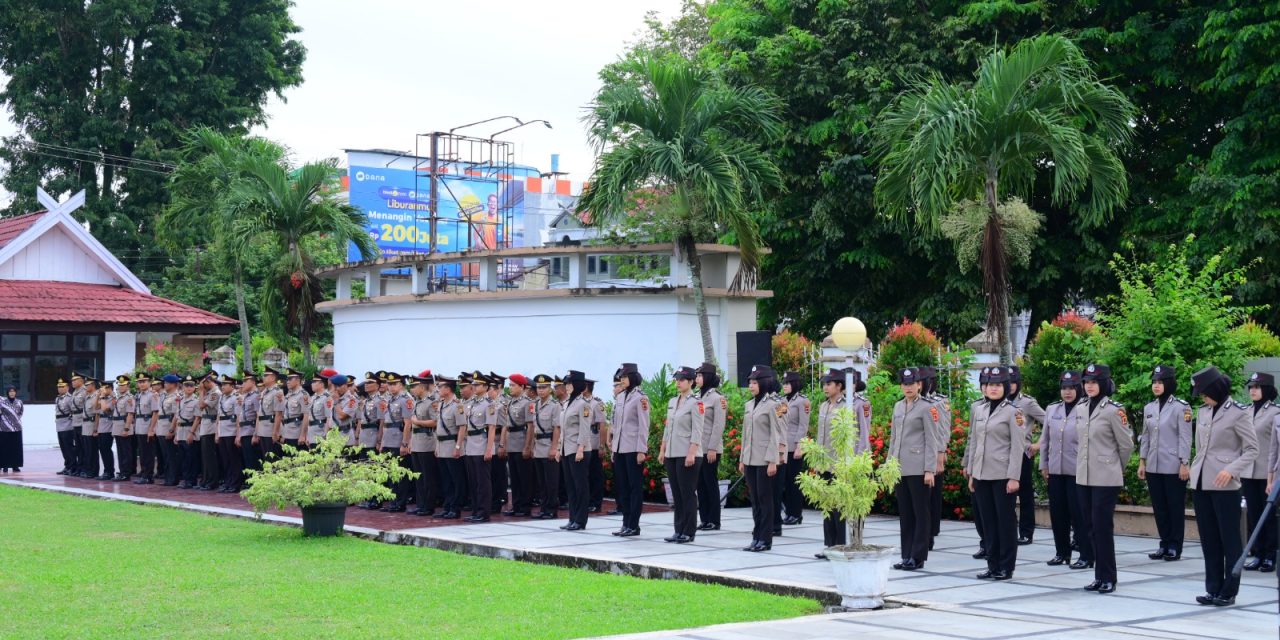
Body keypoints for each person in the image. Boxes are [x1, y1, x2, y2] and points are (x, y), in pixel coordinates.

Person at [1190, 366, 1258, 607]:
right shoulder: (1203, 411)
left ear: (1216, 389)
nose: (1202, 397)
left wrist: (1231, 469)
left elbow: (1252, 449)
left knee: (1229, 539)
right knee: (1209, 539)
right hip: (1201, 481)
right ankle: (1213, 588)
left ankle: (1229, 590)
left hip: (1225, 484)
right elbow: (1201, 447)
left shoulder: (1238, 413)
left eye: (1204, 392)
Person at [1076, 363, 1134, 594]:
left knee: (1102, 527)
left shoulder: (1113, 410)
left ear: (1104, 383)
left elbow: (1126, 445)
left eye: (1094, 382)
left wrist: (1115, 467)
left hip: (1106, 477)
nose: (1090, 386)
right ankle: (1098, 576)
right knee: (1089, 528)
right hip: (1084, 475)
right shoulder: (1081, 407)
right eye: (1087, 382)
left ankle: (1109, 576)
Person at [965, 366, 1025, 580]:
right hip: (981, 475)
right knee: (988, 522)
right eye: (990, 384)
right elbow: (974, 443)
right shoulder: (979, 410)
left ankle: (1006, 566)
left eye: (998, 385)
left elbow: (1018, 447)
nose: (993, 388)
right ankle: (992, 564)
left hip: (1002, 475)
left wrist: (1014, 477)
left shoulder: (1013, 412)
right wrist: (971, 473)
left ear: (1006, 387)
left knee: (1005, 522)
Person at [806, 368, 868, 558]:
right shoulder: (824, 406)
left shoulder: (850, 405)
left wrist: (858, 460)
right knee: (827, 505)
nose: (825, 387)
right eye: (824, 383)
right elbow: (820, 436)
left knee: (840, 507)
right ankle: (829, 546)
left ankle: (840, 546)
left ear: (839, 386)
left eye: (829, 384)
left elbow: (862, 434)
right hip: (825, 462)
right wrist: (816, 460)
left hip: (842, 463)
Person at [888, 367, 941, 571]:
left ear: (920, 385)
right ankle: (906, 554)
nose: (908, 387)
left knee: (921, 513)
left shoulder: (928, 407)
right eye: (905, 384)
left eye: (912, 384)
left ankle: (917, 556)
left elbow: (932, 439)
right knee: (906, 515)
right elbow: (894, 438)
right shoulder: (898, 406)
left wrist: (930, 469)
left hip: (919, 468)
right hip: (900, 467)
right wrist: (890, 465)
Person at [1138, 364, 1193, 562]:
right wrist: (1142, 462)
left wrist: (1184, 463)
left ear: (1169, 383)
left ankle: (1175, 546)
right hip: (1153, 464)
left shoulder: (1181, 407)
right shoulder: (1149, 408)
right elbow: (1145, 437)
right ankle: (1164, 543)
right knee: (1159, 507)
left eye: (1160, 382)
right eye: (1154, 382)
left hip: (1173, 465)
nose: (1156, 385)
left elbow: (1185, 437)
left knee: (1174, 507)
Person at [1040, 371, 1087, 567]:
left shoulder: (1085, 409)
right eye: (1064, 388)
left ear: (1079, 388)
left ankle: (1085, 554)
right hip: (1056, 470)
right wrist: (1044, 463)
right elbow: (1045, 439)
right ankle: (1062, 552)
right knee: (1058, 514)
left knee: (1079, 515)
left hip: (1077, 470)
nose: (1067, 392)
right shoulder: (1052, 409)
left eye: (1071, 388)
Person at [740, 365, 785, 552]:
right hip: (750, 458)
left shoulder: (776, 404)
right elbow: (745, 433)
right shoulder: (749, 405)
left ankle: (765, 539)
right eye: (750, 382)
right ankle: (756, 536)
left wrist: (774, 460)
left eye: (755, 382)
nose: (751, 385)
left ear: (765, 382)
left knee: (765, 500)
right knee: (755, 500)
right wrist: (742, 458)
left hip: (766, 459)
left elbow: (778, 433)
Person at [660, 366, 704, 543]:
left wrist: (692, 453)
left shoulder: (696, 402)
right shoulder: (673, 401)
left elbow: (697, 430)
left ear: (691, 382)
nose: (678, 382)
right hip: (672, 452)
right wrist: (663, 450)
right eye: (677, 379)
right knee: (676, 494)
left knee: (687, 493)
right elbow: (667, 428)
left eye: (682, 380)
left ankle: (689, 531)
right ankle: (678, 530)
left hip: (688, 453)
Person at [1242, 372, 1279, 572]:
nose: (1253, 390)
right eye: (1251, 387)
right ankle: (1258, 553)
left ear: (1266, 389)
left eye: (1257, 387)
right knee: (1254, 515)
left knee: (1269, 515)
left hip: (1268, 472)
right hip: (1248, 471)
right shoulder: (1245, 411)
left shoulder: (1275, 412)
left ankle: (1270, 556)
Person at [1008, 366, 1046, 545]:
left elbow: (1049, 421)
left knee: (1024, 494)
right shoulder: (997, 402)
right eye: (1007, 382)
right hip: (1002, 455)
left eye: (1014, 382)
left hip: (1022, 453)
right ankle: (1008, 530)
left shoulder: (1027, 403)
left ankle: (1026, 532)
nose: (1011, 385)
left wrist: (1039, 444)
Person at [610, 363, 649, 536]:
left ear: (632, 377)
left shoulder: (641, 398)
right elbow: (616, 424)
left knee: (634, 487)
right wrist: (613, 449)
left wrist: (642, 449)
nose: (622, 380)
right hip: (620, 448)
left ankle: (634, 525)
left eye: (624, 377)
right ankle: (625, 523)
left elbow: (643, 425)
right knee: (623, 488)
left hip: (633, 448)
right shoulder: (620, 397)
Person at [558, 370, 593, 531]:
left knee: (580, 486)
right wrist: (559, 449)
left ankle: (580, 520)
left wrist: (580, 448)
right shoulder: (566, 404)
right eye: (566, 384)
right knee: (570, 486)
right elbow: (563, 430)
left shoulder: (583, 404)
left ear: (578, 385)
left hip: (578, 450)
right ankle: (572, 518)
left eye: (570, 383)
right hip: (567, 449)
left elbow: (585, 430)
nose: (567, 386)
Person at [460, 373, 497, 522]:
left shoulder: (489, 404)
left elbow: (492, 427)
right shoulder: (471, 403)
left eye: (477, 385)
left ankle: (483, 512)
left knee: (483, 481)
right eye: (473, 385)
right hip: (470, 445)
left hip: (481, 444)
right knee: (473, 480)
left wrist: (489, 449)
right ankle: (476, 510)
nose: (474, 387)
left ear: (485, 387)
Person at [695, 362, 727, 532]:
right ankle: (704, 519)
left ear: (707, 377)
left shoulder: (717, 398)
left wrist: (713, 448)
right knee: (700, 484)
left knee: (710, 483)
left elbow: (718, 425)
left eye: (700, 375)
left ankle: (714, 520)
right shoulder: (697, 397)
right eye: (697, 375)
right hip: (698, 449)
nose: (697, 379)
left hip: (710, 448)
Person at [922, 366, 951, 547]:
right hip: (919, 453)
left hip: (935, 451)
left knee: (934, 494)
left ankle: (933, 529)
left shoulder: (940, 401)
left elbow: (943, 428)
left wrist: (941, 453)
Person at [376, 373, 411, 512]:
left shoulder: (405, 400)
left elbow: (408, 423)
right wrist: (382, 441)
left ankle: (400, 503)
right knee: (390, 473)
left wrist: (404, 443)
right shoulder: (388, 400)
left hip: (398, 438)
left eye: (394, 384)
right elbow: (385, 423)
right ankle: (393, 501)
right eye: (389, 384)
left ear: (401, 385)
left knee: (399, 474)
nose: (390, 387)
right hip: (388, 438)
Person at [529, 374, 562, 521]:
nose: (540, 390)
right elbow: (532, 427)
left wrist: (554, 448)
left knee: (551, 482)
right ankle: (543, 508)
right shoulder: (535, 404)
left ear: (550, 389)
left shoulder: (555, 405)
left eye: (544, 387)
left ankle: (551, 509)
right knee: (541, 482)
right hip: (538, 447)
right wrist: (530, 446)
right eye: (538, 388)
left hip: (549, 444)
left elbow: (557, 428)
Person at [779, 371, 810, 526]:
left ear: (795, 384)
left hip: (794, 447)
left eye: (787, 383)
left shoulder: (802, 401)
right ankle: (789, 512)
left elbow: (803, 426)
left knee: (794, 483)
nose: (784, 386)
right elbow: (779, 421)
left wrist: (800, 446)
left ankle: (795, 514)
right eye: (784, 383)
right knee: (783, 481)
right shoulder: (783, 401)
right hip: (783, 447)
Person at [434, 375, 466, 519]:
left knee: (456, 479)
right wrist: (436, 446)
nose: (438, 389)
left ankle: (455, 507)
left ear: (448, 389)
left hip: (452, 445)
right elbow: (439, 427)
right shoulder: (441, 404)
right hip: (441, 446)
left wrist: (458, 447)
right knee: (445, 480)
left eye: (440, 387)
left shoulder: (457, 405)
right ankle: (447, 506)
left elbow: (462, 427)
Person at [408, 374, 440, 517]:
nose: (412, 389)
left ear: (422, 387)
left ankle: (428, 505)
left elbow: (435, 422)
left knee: (428, 477)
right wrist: (410, 441)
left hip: (427, 442)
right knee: (418, 476)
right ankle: (420, 504)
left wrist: (418, 422)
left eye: (414, 386)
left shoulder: (431, 402)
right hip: (416, 441)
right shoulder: (417, 401)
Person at [502, 373, 534, 517]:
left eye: (513, 385)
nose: (510, 388)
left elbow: (530, 426)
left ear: (522, 387)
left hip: (521, 441)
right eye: (510, 385)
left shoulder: (527, 403)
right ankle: (516, 505)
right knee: (514, 477)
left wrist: (527, 446)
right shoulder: (510, 402)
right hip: (512, 442)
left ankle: (525, 506)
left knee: (524, 477)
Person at [584, 379, 608, 513]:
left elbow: (602, 425)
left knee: (595, 475)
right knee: (585, 475)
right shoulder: (580, 402)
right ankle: (587, 501)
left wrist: (601, 446)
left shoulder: (597, 403)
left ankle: (596, 502)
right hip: (583, 442)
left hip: (593, 441)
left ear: (586, 387)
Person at [214, 375, 240, 492]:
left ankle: (235, 483)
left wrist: (238, 434)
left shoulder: (236, 397)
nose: (222, 387)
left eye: (225, 385)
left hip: (231, 431)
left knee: (233, 458)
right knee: (225, 459)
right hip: (223, 431)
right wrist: (217, 433)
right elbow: (219, 417)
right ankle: (228, 482)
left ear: (232, 386)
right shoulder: (222, 398)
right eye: (222, 385)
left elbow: (239, 417)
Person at [153, 374, 180, 486]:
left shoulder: (176, 396)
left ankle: (173, 478)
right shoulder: (163, 395)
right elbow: (159, 412)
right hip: (161, 426)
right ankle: (167, 477)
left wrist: (171, 430)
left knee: (171, 455)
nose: (165, 384)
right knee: (165, 455)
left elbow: (175, 415)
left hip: (168, 426)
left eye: (167, 383)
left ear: (174, 384)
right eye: (165, 382)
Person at [176, 375, 202, 488]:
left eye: (191, 385)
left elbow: (197, 418)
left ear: (195, 388)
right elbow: (178, 418)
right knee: (183, 458)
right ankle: (186, 479)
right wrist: (176, 434)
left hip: (190, 430)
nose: (189, 388)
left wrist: (191, 433)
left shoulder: (196, 401)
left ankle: (192, 480)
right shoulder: (180, 401)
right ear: (182, 387)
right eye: (186, 385)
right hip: (181, 431)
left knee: (191, 458)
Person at [110, 375, 137, 481]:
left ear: (128, 385)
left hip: (124, 425)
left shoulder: (129, 398)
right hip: (117, 425)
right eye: (119, 385)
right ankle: (122, 471)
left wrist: (126, 429)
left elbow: (130, 414)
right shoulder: (118, 397)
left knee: (126, 451)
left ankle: (126, 473)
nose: (121, 387)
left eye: (123, 385)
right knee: (120, 451)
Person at [78, 376, 101, 480]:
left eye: (87, 385)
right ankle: (88, 469)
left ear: (93, 385)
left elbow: (97, 414)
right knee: (87, 450)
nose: (86, 386)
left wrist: (96, 429)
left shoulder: (96, 396)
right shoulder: (88, 396)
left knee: (92, 450)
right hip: (86, 425)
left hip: (92, 424)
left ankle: (93, 471)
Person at [54, 378, 76, 475]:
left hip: (67, 425)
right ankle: (67, 466)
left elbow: (73, 412)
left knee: (69, 447)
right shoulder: (57, 398)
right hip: (59, 425)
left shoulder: (70, 398)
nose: (60, 389)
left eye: (62, 387)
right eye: (59, 387)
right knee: (63, 447)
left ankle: (73, 466)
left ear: (67, 387)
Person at [0, 385, 23, 472]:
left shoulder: (19, 402)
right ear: (7, 393)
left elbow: (21, 412)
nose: (12, 393)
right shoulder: (2, 402)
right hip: (4, 428)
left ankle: (15, 465)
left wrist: (15, 421)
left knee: (16, 448)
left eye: (13, 391)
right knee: (5, 448)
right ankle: (5, 465)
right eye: (10, 391)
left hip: (17, 428)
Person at [69, 373, 88, 477]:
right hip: (75, 421)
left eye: (75, 380)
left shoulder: (84, 391)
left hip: (82, 420)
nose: (73, 382)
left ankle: (85, 468)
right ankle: (79, 467)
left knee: (84, 446)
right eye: (72, 380)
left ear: (81, 381)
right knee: (78, 447)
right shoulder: (75, 392)